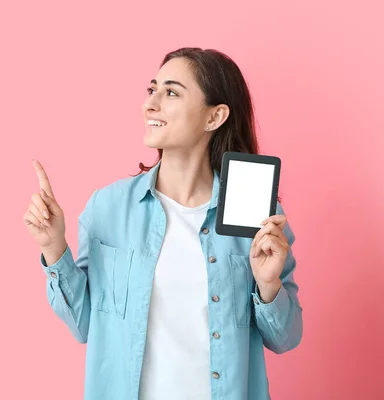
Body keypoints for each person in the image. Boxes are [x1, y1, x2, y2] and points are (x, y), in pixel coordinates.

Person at [23, 47, 303, 400]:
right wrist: (53, 248)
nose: (151, 104)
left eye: (171, 92)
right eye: (152, 89)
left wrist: (268, 283)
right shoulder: (108, 207)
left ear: (214, 117)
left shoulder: (257, 217)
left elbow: (286, 338)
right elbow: (84, 326)